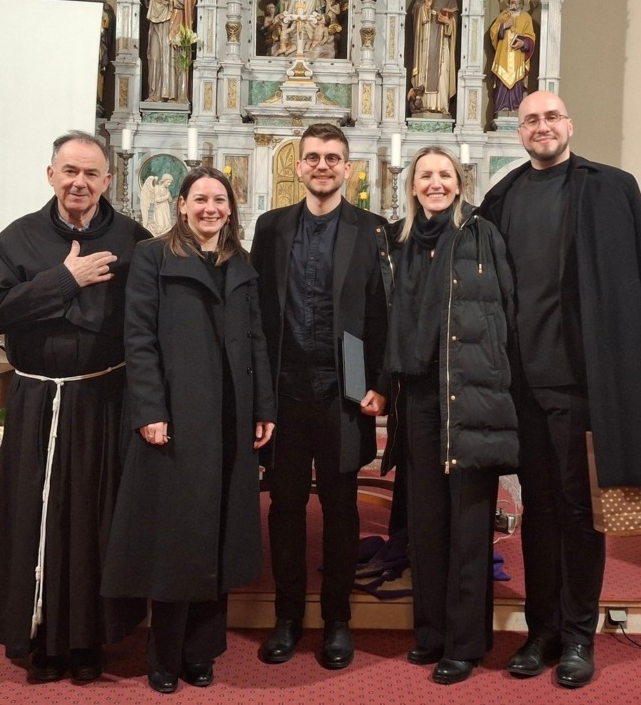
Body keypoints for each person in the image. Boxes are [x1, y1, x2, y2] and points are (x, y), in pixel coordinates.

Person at [479, 91, 641, 688]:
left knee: (582, 510)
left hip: (589, 381)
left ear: (569, 125)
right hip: (522, 383)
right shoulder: (501, 197)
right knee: (535, 510)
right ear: (519, 131)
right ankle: (542, 632)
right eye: (530, 119)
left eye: (550, 117)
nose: (541, 127)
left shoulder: (611, 187)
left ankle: (579, 635)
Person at [0, 131, 150, 682]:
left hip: (105, 400)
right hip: (37, 400)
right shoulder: (17, 239)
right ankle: (40, 642)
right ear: (50, 174)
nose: (80, 182)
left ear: (108, 180)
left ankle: (89, 643)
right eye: (69, 171)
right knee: (37, 518)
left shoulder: (134, 239)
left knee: (95, 522)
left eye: (91, 174)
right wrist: (63, 280)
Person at [101, 167, 276, 694]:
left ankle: (203, 651)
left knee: (218, 536)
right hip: (178, 417)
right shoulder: (154, 257)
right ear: (181, 205)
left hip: (229, 416)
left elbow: (256, 338)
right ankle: (165, 653)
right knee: (177, 540)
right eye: (199, 199)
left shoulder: (240, 261)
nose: (210, 208)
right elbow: (139, 338)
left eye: (219, 200)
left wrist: (263, 406)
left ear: (230, 207)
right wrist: (151, 409)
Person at [249, 123, 390, 670]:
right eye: (313, 157)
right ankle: (287, 618)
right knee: (284, 508)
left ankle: (337, 621)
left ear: (348, 168)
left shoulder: (372, 230)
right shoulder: (271, 227)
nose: (323, 166)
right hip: (284, 398)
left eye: (333, 158)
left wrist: (380, 383)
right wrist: (260, 395)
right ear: (299, 167)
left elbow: (382, 314)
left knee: (340, 509)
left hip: (344, 395)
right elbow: (259, 317)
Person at [382, 146, 517, 685]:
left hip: (469, 390)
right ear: (412, 187)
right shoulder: (397, 242)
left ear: (459, 183)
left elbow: (505, 309)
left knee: (468, 523)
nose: (435, 184)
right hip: (417, 396)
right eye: (425, 177)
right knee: (426, 521)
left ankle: (465, 643)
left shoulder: (481, 236)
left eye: (444, 175)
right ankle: (431, 631)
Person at [410, 0, 458, 116]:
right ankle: (423, 104)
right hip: (426, 41)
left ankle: (441, 105)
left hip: (442, 40)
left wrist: (449, 22)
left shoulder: (451, 0)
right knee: (424, 72)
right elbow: (415, 13)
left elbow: (456, 18)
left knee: (442, 72)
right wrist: (425, 7)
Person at [489, 0, 536, 116]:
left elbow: (531, 38)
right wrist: (504, 25)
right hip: (502, 58)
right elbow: (493, 32)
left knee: (516, 85)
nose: (514, 1)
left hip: (518, 60)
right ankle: (501, 108)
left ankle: (515, 108)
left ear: (521, 1)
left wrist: (523, 43)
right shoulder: (503, 16)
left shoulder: (526, 18)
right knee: (502, 84)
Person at [146, 0, 196, 102]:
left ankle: (173, 95)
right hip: (156, 15)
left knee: (172, 57)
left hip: (175, 20)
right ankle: (155, 94)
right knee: (155, 57)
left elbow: (189, 2)